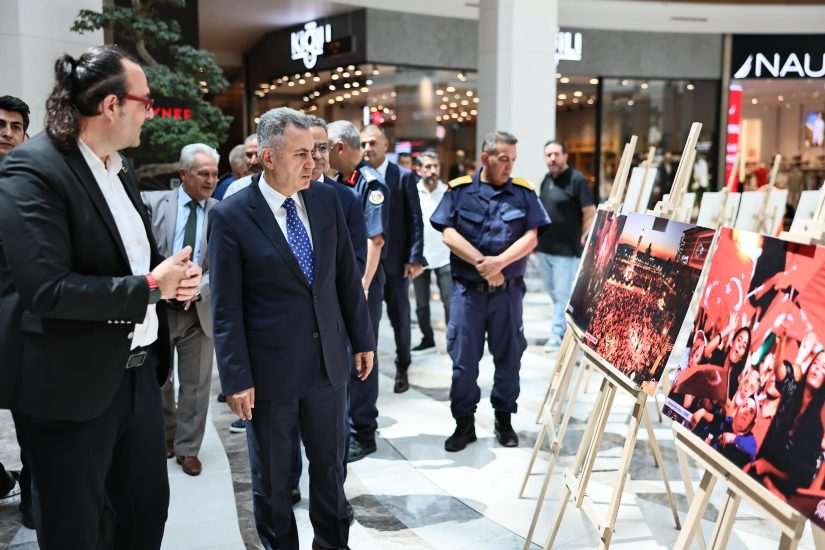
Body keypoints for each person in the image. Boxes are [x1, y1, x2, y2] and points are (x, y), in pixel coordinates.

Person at [0, 45, 202, 549]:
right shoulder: (33, 170)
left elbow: (140, 262)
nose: (151, 112)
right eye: (145, 101)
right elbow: (47, 290)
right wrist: (153, 286)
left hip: (137, 379)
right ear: (111, 105)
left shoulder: (120, 167)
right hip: (69, 386)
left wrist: (176, 278)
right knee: (76, 531)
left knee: (144, 517)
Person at [208, 107, 374, 550]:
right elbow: (226, 308)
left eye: (316, 151)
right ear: (267, 157)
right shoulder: (231, 216)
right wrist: (236, 378)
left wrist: (362, 339)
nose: (313, 162)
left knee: (330, 475)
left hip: (327, 367)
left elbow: (345, 279)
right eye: (301, 154)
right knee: (275, 483)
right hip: (270, 376)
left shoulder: (328, 202)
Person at [431, 131, 550, 452]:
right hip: (468, 293)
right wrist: (483, 263)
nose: (509, 165)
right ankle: (464, 424)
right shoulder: (459, 191)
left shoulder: (523, 193)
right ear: (485, 158)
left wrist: (499, 264)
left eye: (512, 159)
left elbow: (532, 236)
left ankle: (503, 420)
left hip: (507, 295)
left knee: (509, 358)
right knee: (464, 361)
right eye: (503, 159)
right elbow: (448, 233)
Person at [276, 115, 368, 504]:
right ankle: (291, 482)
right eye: (307, 149)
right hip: (285, 339)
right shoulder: (265, 203)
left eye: (321, 148)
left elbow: (354, 266)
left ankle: (333, 497)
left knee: (331, 428)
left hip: (331, 332)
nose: (315, 158)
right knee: (287, 425)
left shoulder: (342, 199)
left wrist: (357, 332)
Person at [143, 143, 219, 476]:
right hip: (159, 309)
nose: (211, 180)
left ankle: (189, 449)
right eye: (203, 173)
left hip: (198, 310)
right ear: (183, 175)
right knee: (160, 379)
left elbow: (225, 264)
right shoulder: (155, 204)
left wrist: (197, 288)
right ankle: (166, 438)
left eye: (215, 174)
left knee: (196, 384)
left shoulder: (222, 212)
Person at [327, 120, 390, 462]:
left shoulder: (370, 183)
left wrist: (361, 287)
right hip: (350, 282)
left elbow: (375, 240)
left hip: (365, 282)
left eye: (325, 149)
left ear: (339, 147)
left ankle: (363, 430)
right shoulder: (346, 181)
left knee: (362, 355)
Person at [361, 124, 424, 394]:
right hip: (368, 265)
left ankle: (403, 366)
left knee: (400, 318)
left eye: (373, 143)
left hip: (396, 262)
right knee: (368, 320)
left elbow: (415, 219)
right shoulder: (359, 177)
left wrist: (415, 256)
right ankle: (367, 368)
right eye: (363, 144)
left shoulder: (403, 177)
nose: (368, 149)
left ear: (385, 145)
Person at [0, 94, 34, 529]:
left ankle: (34, 497)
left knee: (32, 423)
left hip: (23, 323)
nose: (5, 133)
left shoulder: (34, 184)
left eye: (14, 126)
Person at [535, 140, 595, 352]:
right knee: (554, 292)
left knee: (561, 294)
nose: (552, 158)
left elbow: (589, 211)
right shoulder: (546, 180)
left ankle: (556, 333)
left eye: (556, 154)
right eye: (548, 154)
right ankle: (569, 323)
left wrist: (586, 234)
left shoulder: (577, 180)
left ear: (565, 156)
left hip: (566, 251)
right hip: (543, 249)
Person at [412, 151, 452, 354]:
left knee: (450, 302)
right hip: (420, 258)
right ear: (418, 170)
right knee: (421, 304)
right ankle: (427, 338)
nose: (432, 171)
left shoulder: (448, 192)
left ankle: (452, 341)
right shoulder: (412, 192)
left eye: (435, 166)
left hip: (445, 256)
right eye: (428, 167)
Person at [222, 133, 261, 198]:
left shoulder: (281, 186)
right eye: (249, 155)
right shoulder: (235, 189)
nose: (253, 161)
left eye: (258, 154)